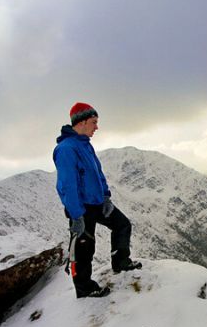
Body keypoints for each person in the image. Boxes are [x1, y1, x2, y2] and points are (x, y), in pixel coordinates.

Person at [53, 102, 141, 298]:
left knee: (122, 225)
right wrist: (76, 215)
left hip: (98, 203)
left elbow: (97, 173)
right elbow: (67, 185)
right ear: (82, 122)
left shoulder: (85, 145)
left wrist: (106, 196)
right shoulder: (66, 149)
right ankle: (84, 288)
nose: (96, 127)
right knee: (84, 248)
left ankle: (121, 262)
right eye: (94, 122)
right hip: (82, 208)